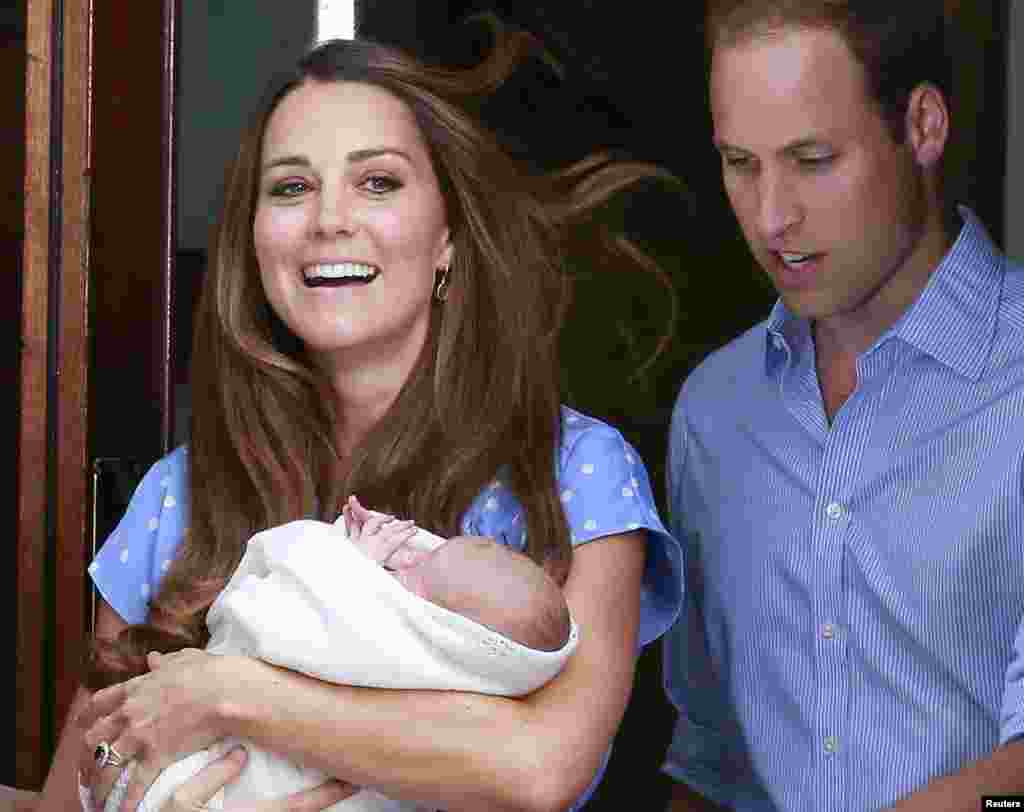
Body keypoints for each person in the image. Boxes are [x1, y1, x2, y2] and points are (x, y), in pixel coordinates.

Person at [32, 21, 683, 812]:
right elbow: (74, 787)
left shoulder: (573, 471)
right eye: (290, 187)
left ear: (447, 235)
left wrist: (231, 694)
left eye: (378, 182)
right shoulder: (184, 491)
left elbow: (541, 769)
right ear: (253, 237)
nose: (329, 219)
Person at [662, 2, 1024, 810]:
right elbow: (711, 761)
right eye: (740, 163)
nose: (770, 217)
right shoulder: (715, 414)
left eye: (813, 159)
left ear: (923, 126)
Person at [87, 495, 579, 812]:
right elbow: (88, 765)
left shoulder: (407, 649)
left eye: (418, 567)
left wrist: (350, 563)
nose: (406, 558)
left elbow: (297, 627)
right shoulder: (176, 488)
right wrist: (107, 765)